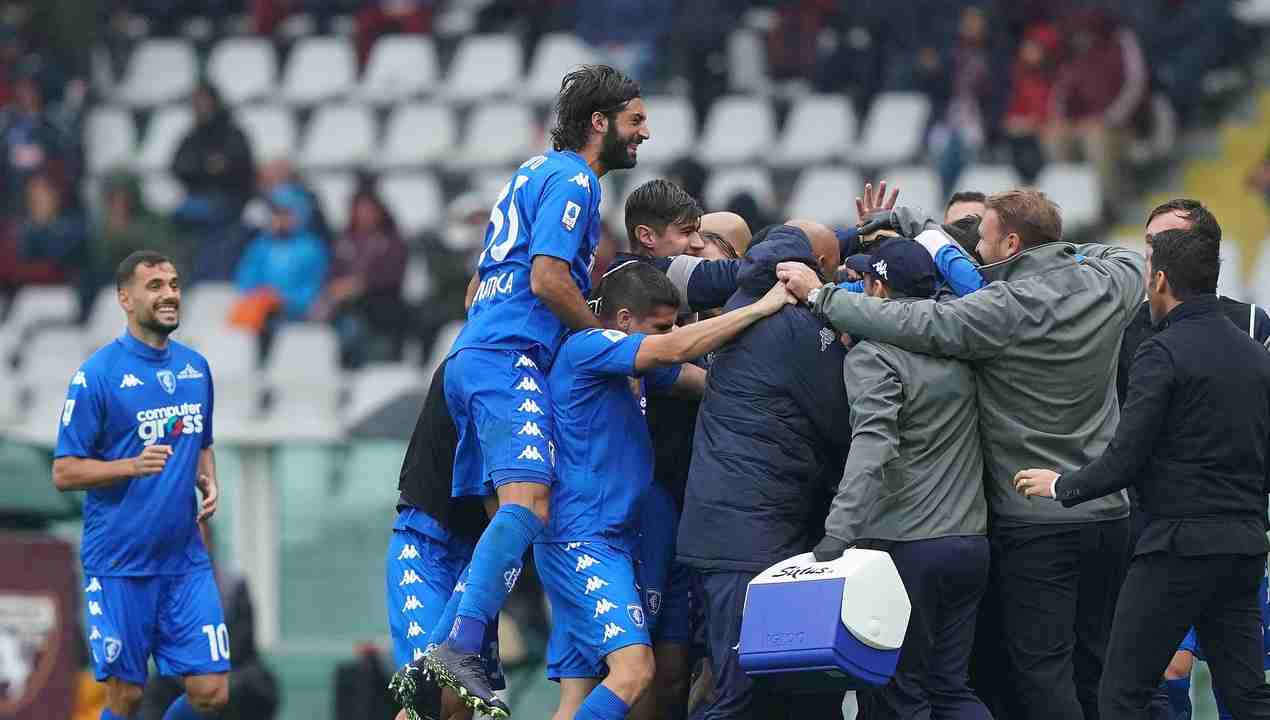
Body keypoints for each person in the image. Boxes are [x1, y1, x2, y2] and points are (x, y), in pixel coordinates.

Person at [778, 189, 1145, 720]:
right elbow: (1124, 255)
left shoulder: (999, 309)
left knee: (1042, 673)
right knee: (1097, 665)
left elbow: (910, 322)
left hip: (1033, 519)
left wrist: (823, 298)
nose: (976, 250)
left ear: (1013, 243)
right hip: (1109, 511)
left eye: (986, 238)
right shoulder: (1112, 280)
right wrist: (1056, 252)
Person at [409, 65, 648, 719]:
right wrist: (603, 338)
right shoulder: (574, 180)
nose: (643, 134)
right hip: (506, 357)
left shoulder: (529, 173)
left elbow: (476, 287)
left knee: (508, 515)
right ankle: (456, 647)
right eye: (635, 121)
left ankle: (437, 658)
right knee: (530, 501)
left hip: (473, 353)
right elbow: (547, 279)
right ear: (599, 122)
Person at [1014, 228, 1270, 719]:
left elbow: (1127, 457)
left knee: (1122, 694)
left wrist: (1061, 485)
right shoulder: (1256, 356)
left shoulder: (1162, 351)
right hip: (1242, 546)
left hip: (1176, 548)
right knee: (1247, 695)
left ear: (1158, 280)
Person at [542, 261, 795, 720]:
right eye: (662, 325)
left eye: (675, 322)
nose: (673, 332)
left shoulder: (629, 367)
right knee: (635, 672)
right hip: (583, 540)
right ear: (623, 321)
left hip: (612, 538)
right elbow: (677, 349)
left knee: (581, 694)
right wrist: (762, 307)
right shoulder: (588, 347)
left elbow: (711, 384)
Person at [677, 221, 850, 719]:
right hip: (748, 538)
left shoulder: (737, 311)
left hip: (727, 531)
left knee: (748, 688)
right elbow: (841, 420)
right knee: (738, 693)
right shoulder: (796, 326)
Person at [816, 239, 991, 720]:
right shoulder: (963, 347)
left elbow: (874, 443)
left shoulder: (873, 356)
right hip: (971, 542)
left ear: (878, 287)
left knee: (899, 696)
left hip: (906, 546)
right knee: (953, 691)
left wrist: (838, 532)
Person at [52, 250, 228, 720]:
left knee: (211, 691)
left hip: (184, 561)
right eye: (155, 287)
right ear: (125, 299)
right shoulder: (97, 376)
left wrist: (208, 476)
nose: (169, 294)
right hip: (119, 565)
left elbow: (201, 441)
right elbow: (65, 471)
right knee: (126, 697)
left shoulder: (196, 369)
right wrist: (129, 467)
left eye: (173, 284)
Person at [1117, 199, 1270, 720]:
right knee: (1170, 668)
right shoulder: (1128, 329)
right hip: (1154, 530)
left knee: (1238, 689)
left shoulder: (1251, 324)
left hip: (1228, 527)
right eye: (1150, 242)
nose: (1153, 255)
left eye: (1165, 242)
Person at [387, 359, 501, 720]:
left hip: (479, 560)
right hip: (425, 547)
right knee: (428, 702)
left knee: (459, 706)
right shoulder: (475, 362)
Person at [139, 522, 280, 720]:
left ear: (211, 544)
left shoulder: (233, 586)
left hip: (232, 671)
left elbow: (240, 645)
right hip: (180, 676)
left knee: (252, 687)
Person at [310, 183, 409, 368]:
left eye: (369, 209)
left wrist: (360, 285)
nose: (364, 215)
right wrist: (337, 287)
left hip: (381, 310)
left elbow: (393, 276)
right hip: (345, 309)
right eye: (359, 209)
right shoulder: (344, 241)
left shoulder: (392, 242)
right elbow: (332, 273)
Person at [233, 185, 330, 328]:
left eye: (286, 213)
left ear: (300, 214)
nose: (280, 218)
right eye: (277, 213)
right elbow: (246, 276)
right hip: (260, 309)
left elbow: (314, 287)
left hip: (296, 315)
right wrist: (261, 294)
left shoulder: (312, 248)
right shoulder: (261, 245)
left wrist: (283, 298)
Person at [171, 82, 255, 232]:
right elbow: (177, 167)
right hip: (197, 198)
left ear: (215, 103)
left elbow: (242, 169)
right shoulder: (191, 137)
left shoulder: (233, 134)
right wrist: (206, 167)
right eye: (196, 102)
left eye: (204, 101)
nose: (199, 107)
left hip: (230, 199)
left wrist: (216, 168)